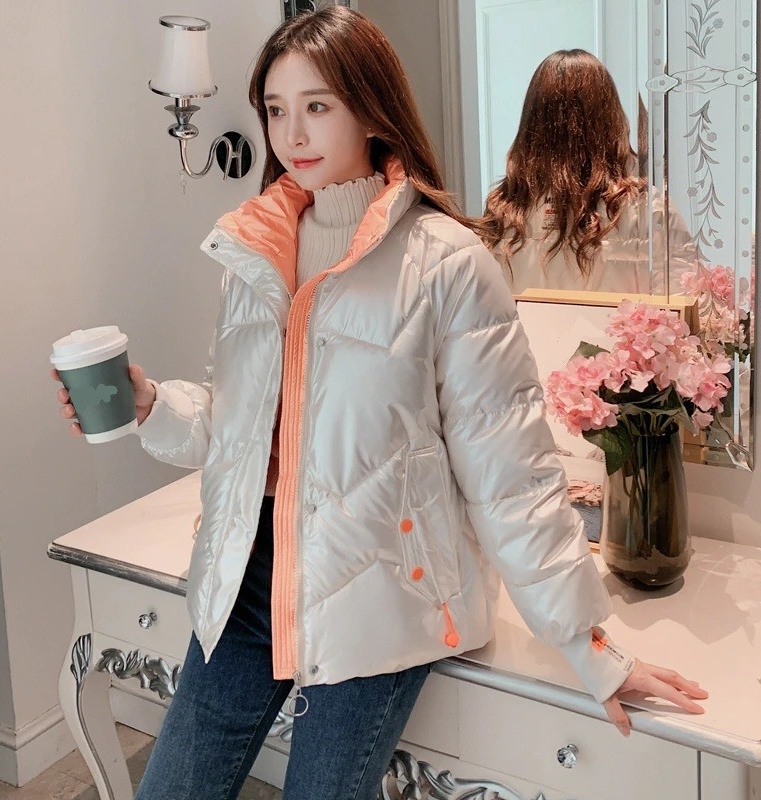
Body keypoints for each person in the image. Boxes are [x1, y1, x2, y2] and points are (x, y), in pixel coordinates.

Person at [52, 11, 707, 800]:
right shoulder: (253, 250)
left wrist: (589, 647)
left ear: (370, 107)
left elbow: (511, 473)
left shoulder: (448, 263)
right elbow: (240, 425)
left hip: (377, 596)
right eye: (275, 109)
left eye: (318, 105)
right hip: (244, 581)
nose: (293, 132)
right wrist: (151, 404)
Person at [480, 49, 695, 296]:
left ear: (531, 119)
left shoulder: (504, 208)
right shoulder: (647, 207)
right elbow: (681, 303)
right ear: (610, 117)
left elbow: (488, 305)